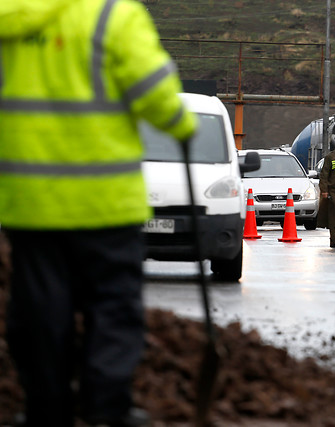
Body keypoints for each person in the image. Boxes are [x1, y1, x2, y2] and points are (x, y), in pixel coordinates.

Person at [0, 0, 198, 425]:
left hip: (30, 203)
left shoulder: (8, 19)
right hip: (105, 203)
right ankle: (106, 408)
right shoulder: (113, 16)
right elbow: (155, 94)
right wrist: (182, 125)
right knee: (112, 306)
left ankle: (44, 409)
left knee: (40, 309)